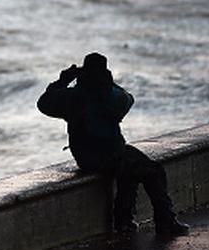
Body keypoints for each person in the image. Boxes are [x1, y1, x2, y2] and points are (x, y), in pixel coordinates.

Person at [37, 52, 190, 236]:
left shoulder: (71, 97)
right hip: (109, 155)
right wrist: (110, 82)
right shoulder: (112, 97)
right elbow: (128, 98)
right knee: (152, 170)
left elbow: (43, 103)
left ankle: (124, 222)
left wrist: (64, 79)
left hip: (85, 158)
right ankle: (164, 221)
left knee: (129, 168)